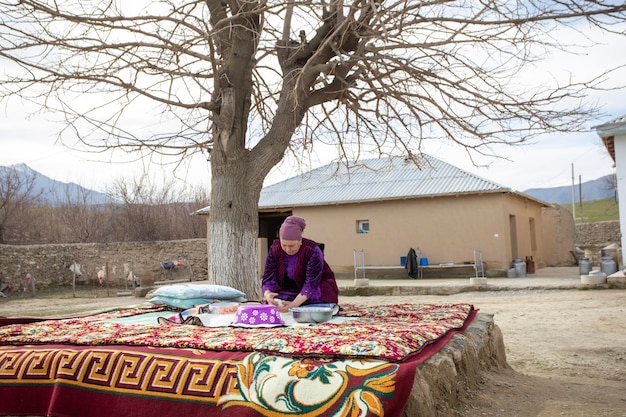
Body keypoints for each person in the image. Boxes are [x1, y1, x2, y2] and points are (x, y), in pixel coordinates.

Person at [261, 216, 339, 312]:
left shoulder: (312, 250)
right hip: (290, 290)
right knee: (274, 301)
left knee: (321, 301)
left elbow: (311, 283)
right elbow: (268, 278)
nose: (288, 249)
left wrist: (294, 305)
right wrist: (268, 293)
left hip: (316, 287)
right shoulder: (275, 249)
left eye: (292, 246)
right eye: (284, 245)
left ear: (300, 241)